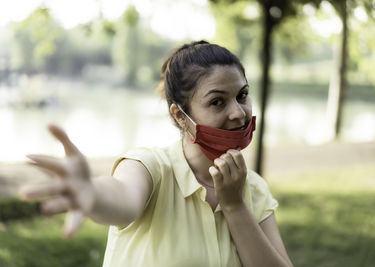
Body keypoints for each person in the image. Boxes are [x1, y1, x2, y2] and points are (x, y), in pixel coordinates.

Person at [21, 41, 293, 267]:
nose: (238, 112)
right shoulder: (149, 168)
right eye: (217, 102)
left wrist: (235, 206)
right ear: (181, 116)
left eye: (242, 95)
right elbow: (123, 196)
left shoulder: (253, 189)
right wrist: (91, 193)